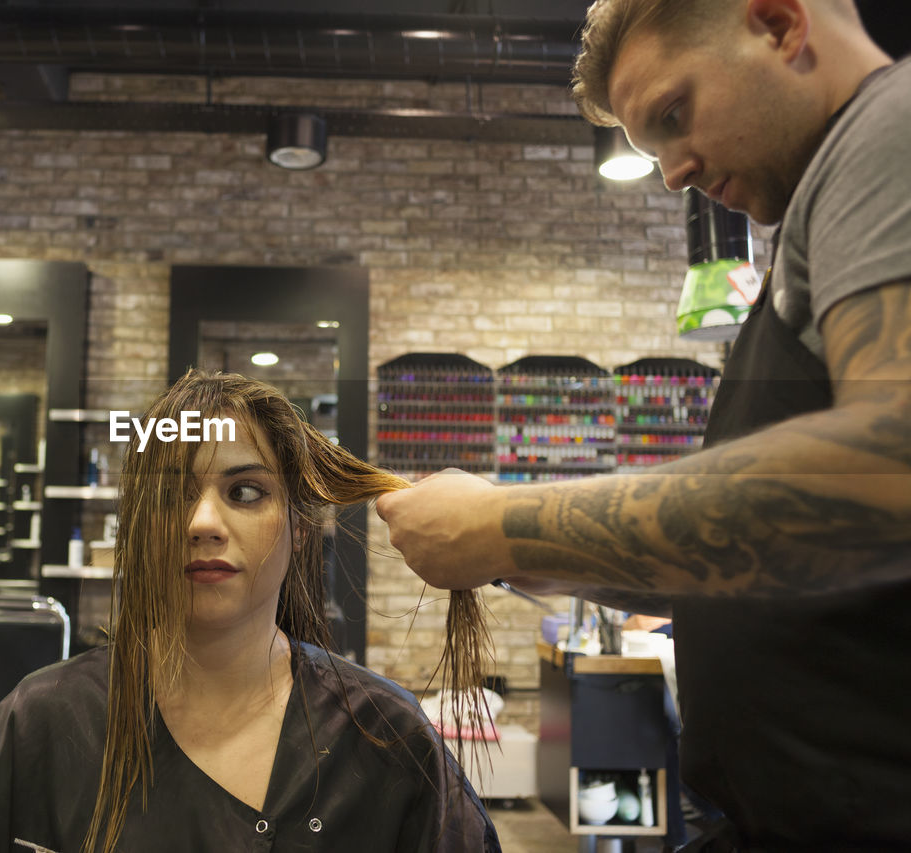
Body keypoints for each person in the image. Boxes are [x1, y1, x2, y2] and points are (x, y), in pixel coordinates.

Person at [376, 0, 911, 848]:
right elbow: (742, 554)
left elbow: (887, 475)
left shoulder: (891, 131)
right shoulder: (816, 226)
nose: (672, 173)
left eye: (674, 115)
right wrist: (531, 551)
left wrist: (505, 525)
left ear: (777, 23)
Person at [0, 370, 500, 853]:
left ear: (299, 529)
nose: (202, 523)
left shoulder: (386, 736)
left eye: (247, 492)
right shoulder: (40, 722)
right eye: (172, 495)